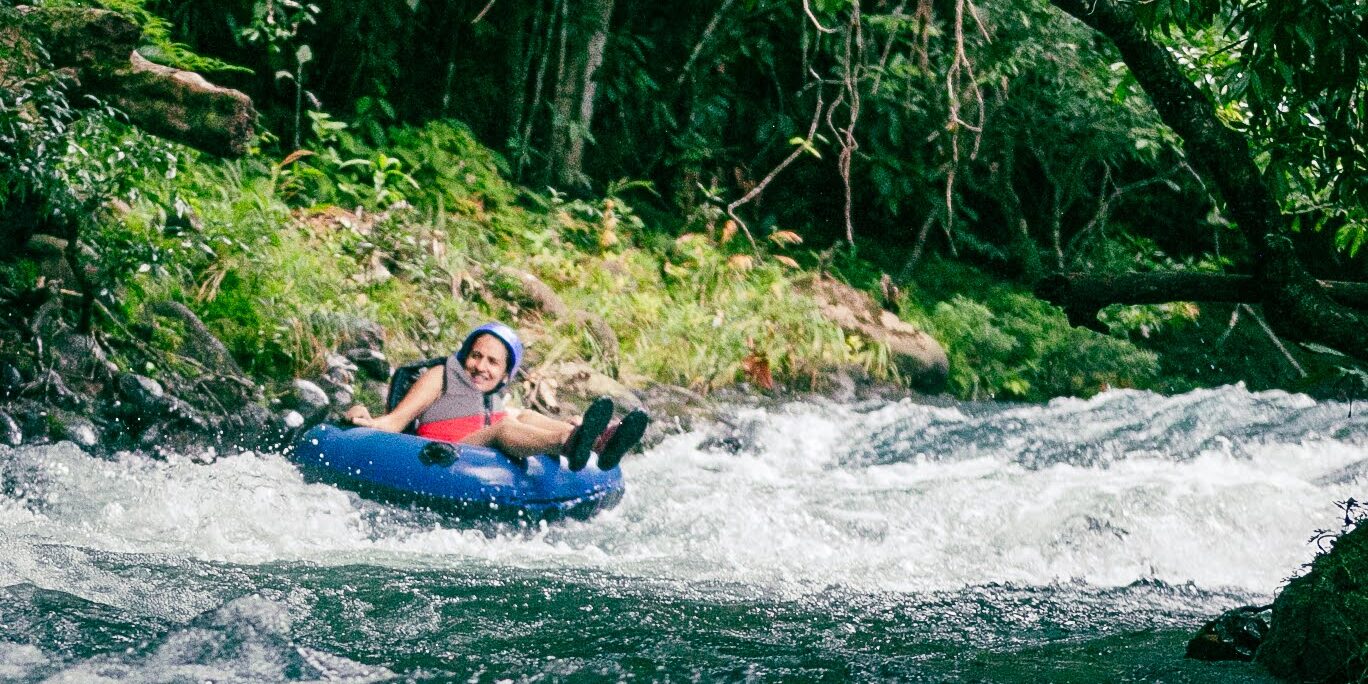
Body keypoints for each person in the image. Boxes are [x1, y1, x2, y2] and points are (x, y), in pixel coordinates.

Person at [343, 322, 648, 471]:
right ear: (464, 356)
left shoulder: (494, 396)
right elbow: (396, 422)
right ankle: (569, 444)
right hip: (448, 455)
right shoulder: (439, 377)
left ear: (505, 375)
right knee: (505, 426)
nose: (480, 367)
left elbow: (513, 417)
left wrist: (568, 423)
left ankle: (598, 441)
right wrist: (363, 418)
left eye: (492, 362)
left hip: (480, 446)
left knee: (521, 415)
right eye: (476, 356)